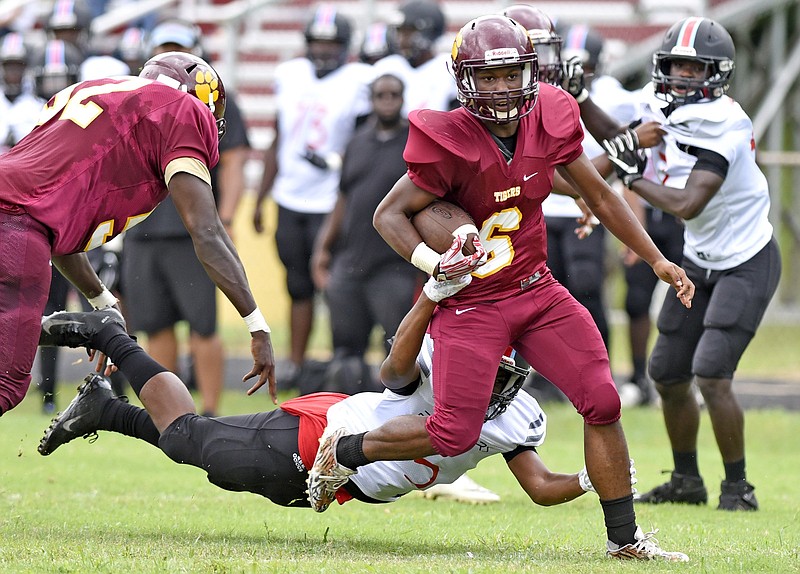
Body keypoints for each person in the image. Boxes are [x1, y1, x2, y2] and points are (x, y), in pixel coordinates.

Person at [307, 15, 694, 561]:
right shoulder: (447, 139)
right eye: (487, 78)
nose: (501, 88)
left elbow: (603, 198)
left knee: (602, 400)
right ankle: (345, 449)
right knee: (452, 434)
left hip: (537, 290)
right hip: (473, 304)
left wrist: (657, 260)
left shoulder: (551, 117)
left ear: (530, 72)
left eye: (510, 74)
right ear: (464, 79)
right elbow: (387, 215)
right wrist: (433, 265)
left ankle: (625, 541)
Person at [36, 278, 634, 515]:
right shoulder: (433, 368)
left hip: (343, 476)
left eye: (495, 374)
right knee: (192, 439)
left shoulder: (518, 421)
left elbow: (538, 486)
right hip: (323, 439)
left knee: (194, 447)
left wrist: (590, 480)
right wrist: (428, 299)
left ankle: (105, 409)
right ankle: (111, 338)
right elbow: (395, 363)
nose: (482, 382)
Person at [0, 50, 275, 416]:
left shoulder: (90, 91)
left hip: (19, 220)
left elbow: (56, 227)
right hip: (15, 230)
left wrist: (104, 304)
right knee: (6, 384)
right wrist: (257, 326)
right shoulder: (182, 109)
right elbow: (207, 232)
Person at [582, 17, 781, 511]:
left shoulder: (727, 123)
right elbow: (621, 138)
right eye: (675, 65)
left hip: (745, 260)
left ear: (717, 73)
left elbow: (688, 203)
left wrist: (628, 178)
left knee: (712, 373)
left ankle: (739, 486)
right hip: (698, 258)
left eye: (694, 68)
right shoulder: (657, 101)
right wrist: (580, 99)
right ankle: (687, 480)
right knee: (667, 371)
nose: (682, 76)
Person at [121, 19, 252, 416]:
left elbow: (233, 162)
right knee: (155, 325)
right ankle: (173, 413)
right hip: (142, 228)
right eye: (164, 50)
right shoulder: (136, 103)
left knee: (202, 324)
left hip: (188, 230)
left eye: (179, 49)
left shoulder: (213, 99)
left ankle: (210, 409)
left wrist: (225, 218)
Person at [560, 22, 685, 406]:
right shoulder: (543, 98)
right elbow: (575, 167)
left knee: (588, 288)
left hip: (674, 209)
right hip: (595, 199)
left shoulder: (627, 98)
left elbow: (625, 148)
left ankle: (672, 376)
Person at [252, 4, 373, 389]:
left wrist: (337, 163)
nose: (322, 51)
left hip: (333, 202)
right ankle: (296, 364)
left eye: (331, 43)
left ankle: (343, 365)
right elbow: (278, 137)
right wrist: (260, 197)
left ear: (345, 46)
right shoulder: (290, 75)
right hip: (290, 199)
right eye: (317, 43)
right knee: (298, 286)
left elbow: (365, 141)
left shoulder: (359, 79)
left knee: (337, 286)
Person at [311, 73, 423, 395]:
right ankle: (348, 414)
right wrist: (323, 248)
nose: (387, 101)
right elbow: (343, 199)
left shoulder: (415, 143)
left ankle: (394, 417)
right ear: (371, 100)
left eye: (393, 94)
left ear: (403, 99)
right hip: (351, 260)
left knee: (398, 346)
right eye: (380, 95)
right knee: (345, 352)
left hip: (395, 263)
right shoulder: (357, 141)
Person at [372, 0, 458, 115]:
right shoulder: (386, 67)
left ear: (430, 31)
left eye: (408, 32)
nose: (401, 40)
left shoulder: (448, 69)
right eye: (399, 31)